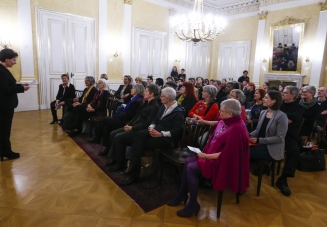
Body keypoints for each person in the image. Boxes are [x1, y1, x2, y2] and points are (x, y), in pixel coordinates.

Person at [167, 99, 250, 217]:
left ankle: (192, 204)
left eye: (222, 111)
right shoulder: (229, 120)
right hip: (211, 156)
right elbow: (218, 123)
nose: (219, 113)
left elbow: (227, 154)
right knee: (187, 161)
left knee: (191, 167)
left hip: (221, 162)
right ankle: (182, 194)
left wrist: (205, 156)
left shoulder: (238, 128)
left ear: (230, 114)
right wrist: (204, 122)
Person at [108, 87, 184, 185]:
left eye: (161, 96)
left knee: (138, 144)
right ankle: (130, 168)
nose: (160, 98)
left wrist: (160, 134)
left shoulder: (178, 112)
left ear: (168, 98)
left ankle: (134, 174)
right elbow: (155, 120)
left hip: (164, 138)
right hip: (154, 131)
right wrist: (151, 127)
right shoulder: (163, 106)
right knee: (133, 137)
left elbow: (176, 131)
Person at [102, 84, 160, 158]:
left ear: (152, 94)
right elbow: (136, 116)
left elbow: (147, 123)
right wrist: (129, 124)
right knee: (113, 133)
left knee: (118, 137)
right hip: (133, 125)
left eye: (146, 91)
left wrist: (132, 127)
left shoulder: (155, 106)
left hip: (139, 129)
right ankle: (113, 157)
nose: (144, 92)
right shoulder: (145, 103)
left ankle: (119, 162)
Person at [0, 48, 30, 161]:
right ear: (6, 59)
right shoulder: (1, 71)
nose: (15, 62)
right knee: (4, 129)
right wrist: (22, 88)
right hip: (4, 106)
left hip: (5, 105)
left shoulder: (3, 70)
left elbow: (8, 86)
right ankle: (6, 151)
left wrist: (20, 85)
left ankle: (4, 151)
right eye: (13, 60)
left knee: (4, 129)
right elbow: (4, 90)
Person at [249, 91, 288, 171]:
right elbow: (257, 130)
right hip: (261, 144)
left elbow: (279, 138)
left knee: (243, 151)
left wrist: (259, 140)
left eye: (266, 98)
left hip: (272, 148)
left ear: (273, 101)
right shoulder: (263, 112)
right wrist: (248, 135)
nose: (263, 99)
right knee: (240, 147)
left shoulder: (282, 116)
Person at [277, 86, 304, 196]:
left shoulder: (299, 107)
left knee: (294, 152)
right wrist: (285, 119)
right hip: (274, 133)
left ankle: (283, 179)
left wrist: (281, 117)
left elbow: (296, 118)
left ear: (292, 95)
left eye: (285, 92)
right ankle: (264, 165)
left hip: (288, 136)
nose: (282, 94)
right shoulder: (279, 104)